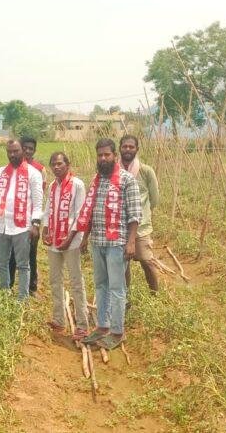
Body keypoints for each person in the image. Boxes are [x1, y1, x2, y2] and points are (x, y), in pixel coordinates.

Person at [78, 138, 141, 351]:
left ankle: (117, 331)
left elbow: (134, 214)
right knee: (100, 285)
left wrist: (131, 242)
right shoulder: (96, 179)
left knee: (116, 288)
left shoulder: (126, 180)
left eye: (107, 154)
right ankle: (102, 326)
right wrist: (85, 238)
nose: (103, 158)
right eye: (100, 155)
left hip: (117, 243)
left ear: (114, 155)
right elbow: (90, 212)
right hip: (98, 241)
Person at [0, 139, 44, 300]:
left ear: (22, 152)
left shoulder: (33, 174)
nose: (12, 154)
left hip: (22, 226)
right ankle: (4, 294)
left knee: (23, 265)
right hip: (1, 225)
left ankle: (22, 299)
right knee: (0, 263)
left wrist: (35, 224)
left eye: (15, 151)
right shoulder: (1, 172)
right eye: (9, 152)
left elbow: (38, 203)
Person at [41, 151, 90, 340]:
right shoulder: (53, 186)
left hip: (71, 242)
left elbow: (80, 215)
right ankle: (59, 319)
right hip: (54, 241)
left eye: (60, 163)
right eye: (53, 164)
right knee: (55, 281)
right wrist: (45, 230)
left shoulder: (77, 185)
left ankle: (82, 325)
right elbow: (48, 210)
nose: (56, 167)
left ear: (67, 165)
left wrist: (69, 239)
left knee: (76, 282)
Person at [119, 135, 161, 299]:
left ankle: (154, 296)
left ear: (137, 149)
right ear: (120, 148)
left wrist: (141, 214)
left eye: (131, 147)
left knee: (147, 261)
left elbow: (154, 199)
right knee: (123, 265)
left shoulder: (146, 171)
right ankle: (125, 297)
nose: (128, 149)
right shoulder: (115, 171)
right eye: (124, 146)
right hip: (120, 227)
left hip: (141, 228)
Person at [9, 136, 45, 295]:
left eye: (31, 148)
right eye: (25, 148)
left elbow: (40, 196)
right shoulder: (12, 168)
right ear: (20, 149)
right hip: (15, 220)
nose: (28, 151)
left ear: (35, 150)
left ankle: (32, 287)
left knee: (31, 254)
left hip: (31, 219)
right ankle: (9, 285)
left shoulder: (39, 169)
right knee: (12, 255)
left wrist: (36, 222)